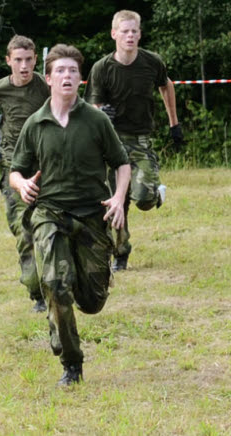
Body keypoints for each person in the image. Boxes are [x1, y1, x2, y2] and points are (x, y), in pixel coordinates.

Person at [10, 44, 130, 386]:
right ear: (47, 79)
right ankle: (71, 363)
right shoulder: (36, 124)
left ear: (81, 79)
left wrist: (119, 198)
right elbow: (15, 171)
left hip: (92, 215)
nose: (67, 76)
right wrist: (20, 186)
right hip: (50, 214)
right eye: (60, 71)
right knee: (56, 285)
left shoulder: (96, 120)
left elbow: (121, 163)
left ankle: (67, 299)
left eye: (73, 71)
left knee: (92, 302)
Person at [85, 9, 183, 271]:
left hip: (140, 140)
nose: (130, 36)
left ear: (140, 34)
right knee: (116, 201)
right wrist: (100, 111)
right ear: (114, 34)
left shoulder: (152, 62)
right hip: (111, 141)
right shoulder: (102, 68)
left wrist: (175, 124)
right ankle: (120, 252)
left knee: (143, 198)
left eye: (134, 31)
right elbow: (91, 105)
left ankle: (154, 193)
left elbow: (167, 85)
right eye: (124, 31)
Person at [0, 35, 51, 312]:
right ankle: (36, 291)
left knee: (52, 226)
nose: (24, 66)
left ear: (36, 60)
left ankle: (60, 279)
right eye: (18, 60)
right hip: (13, 167)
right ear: (8, 60)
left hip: (45, 165)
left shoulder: (45, 87)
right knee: (24, 231)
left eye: (29, 60)